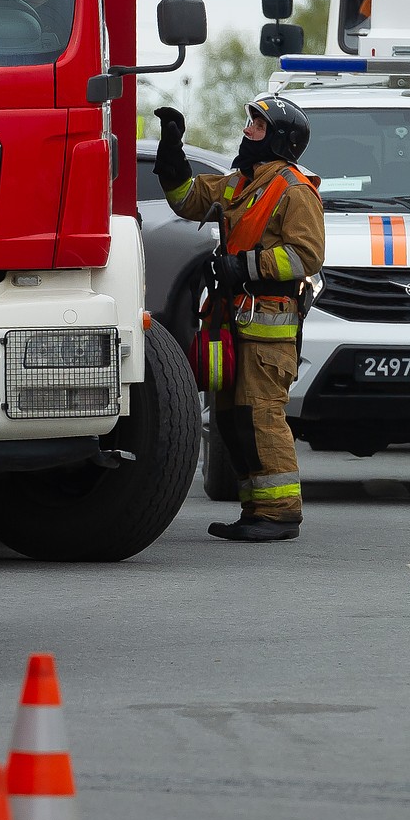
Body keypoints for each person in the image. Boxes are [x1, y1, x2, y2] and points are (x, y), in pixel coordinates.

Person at [153, 97, 325, 542]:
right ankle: (257, 509)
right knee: (231, 419)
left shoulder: (294, 189)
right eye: (250, 121)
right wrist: (171, 155)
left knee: (261, 416)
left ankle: (281, 513)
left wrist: (243, 267)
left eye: (259, 125)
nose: (248, 129)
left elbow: (305, 257)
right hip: (233, 320)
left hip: (268, 324)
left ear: (281, 141)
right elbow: (190, 201)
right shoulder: (240, 183)